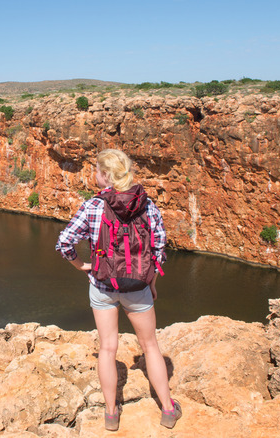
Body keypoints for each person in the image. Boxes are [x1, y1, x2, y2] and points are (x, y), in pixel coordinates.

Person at [55, 148, 182, 431]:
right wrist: (151, 284)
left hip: (101, 285)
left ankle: (111, 415)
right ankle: (168, 409)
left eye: (96, 171)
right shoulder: (148, 206)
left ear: (104, 175)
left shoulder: (92, 207)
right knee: (150, 346)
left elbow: (65, 243)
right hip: (138, 287)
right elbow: (159, 251)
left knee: (108, 349)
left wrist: (82, 267)